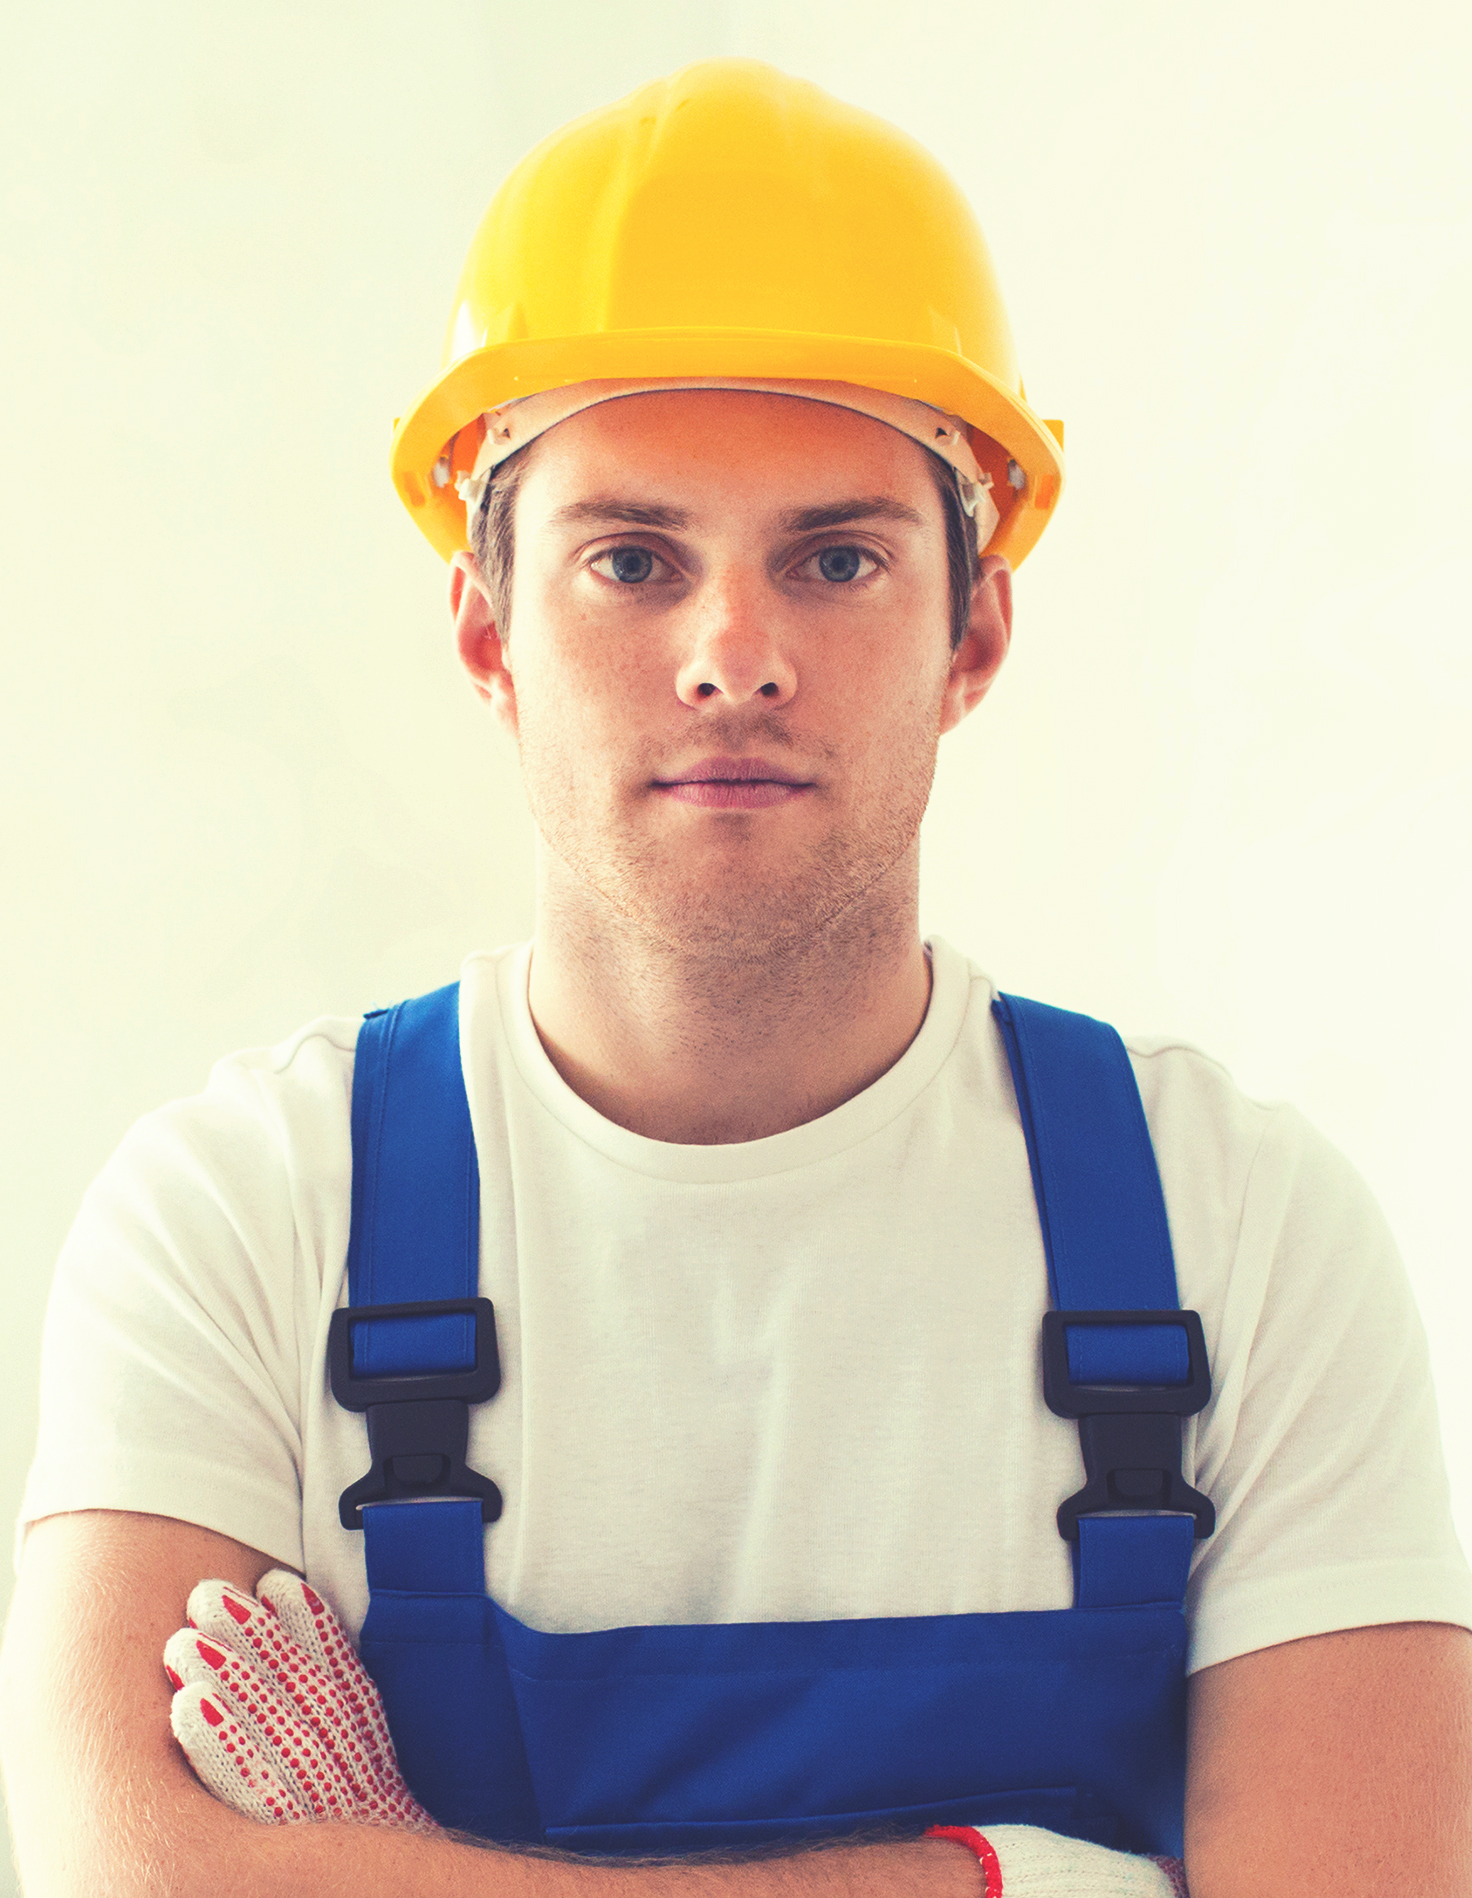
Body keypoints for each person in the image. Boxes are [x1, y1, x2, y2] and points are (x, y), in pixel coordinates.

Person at [2, 56, 1470, 1898]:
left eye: (837, 558)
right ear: (488, 628)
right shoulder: (245, 1217)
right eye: (629, 558)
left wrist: (384, 1869)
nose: (732, 655)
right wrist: (996, 1878)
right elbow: (112, 1875)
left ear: (975, 628)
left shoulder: (1237, 1232)